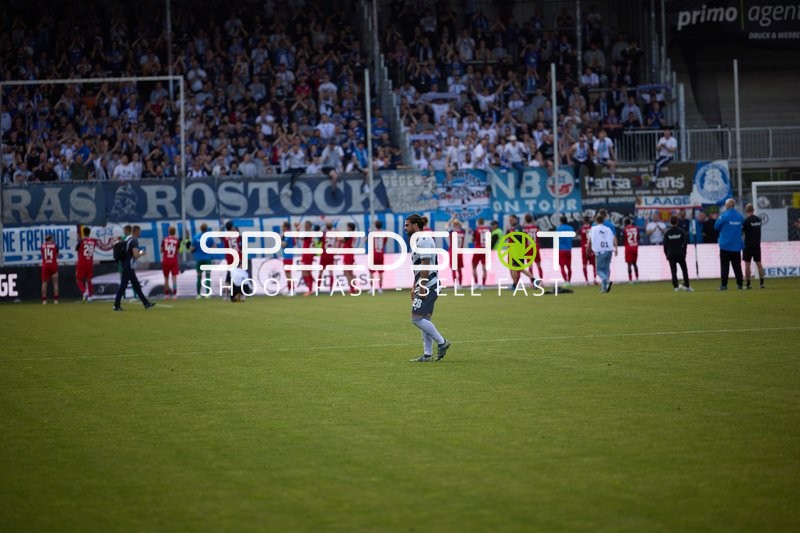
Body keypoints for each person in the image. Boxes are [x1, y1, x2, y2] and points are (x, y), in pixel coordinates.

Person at [405, 214, 451, 363]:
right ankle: (427, 354)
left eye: (407, 225)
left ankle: (442, 342)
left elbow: (426, 264)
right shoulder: (418, 240)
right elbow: (418, 267)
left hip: (429, 285)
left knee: (416, 318)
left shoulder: (423, 239)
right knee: (424, 318)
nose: (405, 228)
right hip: (427, 284)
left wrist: (422, 286)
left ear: (415, 226)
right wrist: (414, 286)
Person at [113, 225, 156, 311]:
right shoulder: (134, 240)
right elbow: (135, 254)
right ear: (136, 231)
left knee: (136, 286)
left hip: (126, 265)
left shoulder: (128, 239)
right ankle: (116, 305)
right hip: (128, 266)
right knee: (123, 286)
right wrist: (142, 253)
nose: (140, 233)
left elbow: (129, 253)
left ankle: (146, 303)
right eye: (139, 231)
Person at [714, 198, 744, 290]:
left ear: (727, 206)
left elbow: (716, 227)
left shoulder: (724, 216)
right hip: (736, 245)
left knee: (724, 266)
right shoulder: (740, 216)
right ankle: (740, 284)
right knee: (737, 266)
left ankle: (724, 285)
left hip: (725, 245)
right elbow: (742, 229)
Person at [663, 215, 693, 291]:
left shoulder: (667, 233)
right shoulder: (681, 231)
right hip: (680, 254)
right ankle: (687, 286)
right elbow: (685, 242)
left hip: (671, 254)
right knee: (684, 270)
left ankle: (676, 287)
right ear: (677, 222)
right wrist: (684, 253)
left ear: (670, 222)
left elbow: (665, 245)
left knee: (673, 271)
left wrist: (666, 255)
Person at [589, 213, 617, 293]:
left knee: (598, 271)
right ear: (603, 221)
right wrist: (615, 248)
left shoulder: (593, 229)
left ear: (596, 221)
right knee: (606, 270)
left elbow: (590, 240)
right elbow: (613, 238)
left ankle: (606, 281)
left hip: (600, 251)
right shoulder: (608, 229)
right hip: (609, 251)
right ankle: (604, 288)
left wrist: (588, 249)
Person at [742, 203, 765, 289]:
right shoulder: (758, 220)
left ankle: (748, 284)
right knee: (759, 263)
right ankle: (762, 283)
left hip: (748, 245)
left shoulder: (746, 221)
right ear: (753, 210)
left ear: (746, 211)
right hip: (757, 244)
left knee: (747, 264)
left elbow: (742, 232)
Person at [190, 223, 214, 298]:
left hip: (199, 259)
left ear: (200, 228)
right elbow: (214, 247)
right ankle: (207, 294)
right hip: (207, 258)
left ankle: (198, 294)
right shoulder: (209, 238)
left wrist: (195, 249)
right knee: (208, 276)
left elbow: (192, 249)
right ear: (206, 228)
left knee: (199, 276)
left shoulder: (196, 237)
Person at [75, 227, 98, 302]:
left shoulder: (81, 241)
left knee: (78, 279)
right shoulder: (93, 241)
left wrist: (79, 239)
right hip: (90, 262)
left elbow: (77, 248)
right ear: (89, 233)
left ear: (83, 233)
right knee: (89, 280)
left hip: (82, 262)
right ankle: (90, 297)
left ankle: (84, 292)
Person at [471, 217, 492, 288]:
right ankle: (483, 284)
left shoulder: (476, 229)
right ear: (483, 222)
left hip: (478, 249)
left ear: (478, 222)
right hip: (485, 249)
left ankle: (476, 283)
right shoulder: (488, 229)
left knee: (474, 267)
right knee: (484, 268)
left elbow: (473, 240)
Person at [521, 213, 543, 280]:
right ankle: (541, 280)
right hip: (535, 247)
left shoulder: (524, 228)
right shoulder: (536, 227)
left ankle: (532, 282)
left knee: (530, 266)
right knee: (539, 265)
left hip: (528, 248)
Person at [161, 226, 180, 300]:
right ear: (175, 232)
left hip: (166, 260)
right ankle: (174, 294)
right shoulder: (177, 240)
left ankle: (166, 294)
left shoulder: (164, 240)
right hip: (174, 260)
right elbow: (177, 251)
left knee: (166, 278)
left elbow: (162, 250)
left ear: (169, 231)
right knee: (174, 278)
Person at [446, 216, 466, 286]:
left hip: (453, 252)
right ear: (459, 225)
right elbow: (464, 226)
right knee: (459, 269)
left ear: (453, 225)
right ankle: (460, 284)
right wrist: (458, 220)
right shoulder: (462, 232)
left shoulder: (451, 232)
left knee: (454, 269)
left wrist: (452, 218)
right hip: (459, 252)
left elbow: (446, 225)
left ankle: (455, 284)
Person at [40, 234, 59, 304]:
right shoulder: (55, 245)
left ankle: (44, 300)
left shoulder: (42, 246)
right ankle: (56, 300)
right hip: (53, 264)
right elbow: (57, 255)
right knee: (55, 283)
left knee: (44, 283)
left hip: (45, 265)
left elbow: (42, 255)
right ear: (50, 239)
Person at [579, 215, 597, 285]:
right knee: (594, 265)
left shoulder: (581, 229)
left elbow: (580, 237)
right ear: (589, 221)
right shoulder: (592, 228)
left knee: (584, 265)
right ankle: (594, 279)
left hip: (584, 248)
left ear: (583, 221)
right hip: (592, 248)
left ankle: (587, 281)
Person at [370, 220, 387, 294]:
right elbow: (385, 241)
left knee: (371, 272)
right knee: (380, 273)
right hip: (380, 254)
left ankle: (372, 288)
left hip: (373, 254)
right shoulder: (384, 234)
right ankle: (380, 288)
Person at [556, 216, 573, 286]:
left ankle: (565, 281)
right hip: (569, 249)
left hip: (561, 249)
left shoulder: (559, 228)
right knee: (569, 267)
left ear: (561, 221)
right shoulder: (571, 228)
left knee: (562, 266)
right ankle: (569, 281)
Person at [622, 217, 640, 283]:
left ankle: (630, 279)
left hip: (628, 247)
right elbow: (638, 237)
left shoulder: (625, 229)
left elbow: (623, 239)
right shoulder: (636, 228)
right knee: (635, 263)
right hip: (635, 247)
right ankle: (637, 278)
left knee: (629, 264)